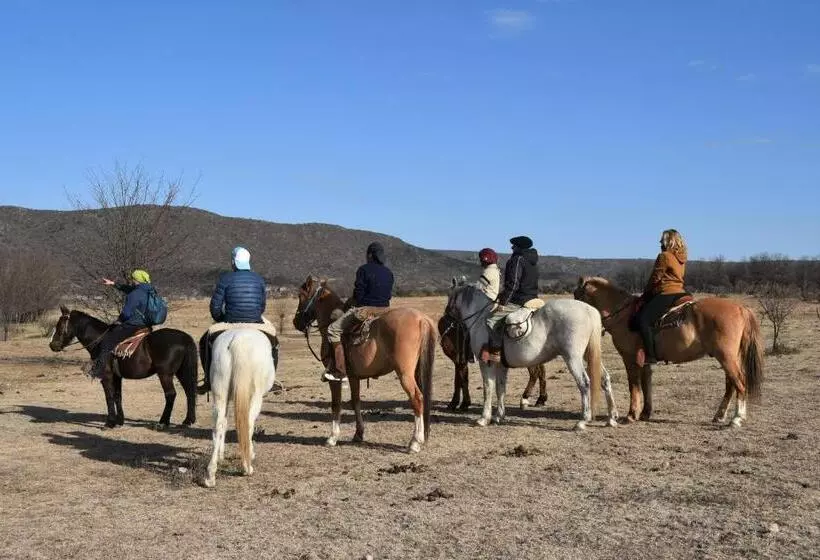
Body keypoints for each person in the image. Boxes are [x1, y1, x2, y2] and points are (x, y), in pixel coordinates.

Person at [197, 246, 268, 394]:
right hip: (255, 321)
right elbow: (262, 306)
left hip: (230, 321)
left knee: (204, 341)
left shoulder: (225, 279)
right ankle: (269, 379)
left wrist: (220, 318)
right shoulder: (259, 279)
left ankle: (208, 380)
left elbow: (215, 306)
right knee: (274, 343)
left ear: (233, 262)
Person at [322, 241, 394, 382]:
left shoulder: (363, 270)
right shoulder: (388, 272)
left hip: (366, 310)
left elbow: (359, 295)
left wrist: (353, 302)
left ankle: (340, 370)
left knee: (332, 329)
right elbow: (388, 295)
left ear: (370, 255)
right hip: (386, 310)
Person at [481, 236, 540, 364]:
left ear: (518, 247)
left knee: (490, 320)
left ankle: (496, 352)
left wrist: (503, 302)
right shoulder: (532, 261)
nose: (512, 248)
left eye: (514, 246)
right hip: (533, 297)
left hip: (519, 300)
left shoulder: (517, 260)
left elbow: (513, 285)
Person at [636, 229, 689, 364]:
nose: (660, 242)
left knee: (644, 320)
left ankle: (651, 356)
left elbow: (655, 278)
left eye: (662, 240)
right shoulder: (682, 257)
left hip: (667, 292)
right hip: (681, 291)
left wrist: (645, 293)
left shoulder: (664, 256)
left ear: (668, 241)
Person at [91, 269, 154, 379]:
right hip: (146, 325)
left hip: (134, 325)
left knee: (107, 341)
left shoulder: (134, 294)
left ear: (136, 280)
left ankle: (99, 369)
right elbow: (129, 289)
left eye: (133, 279)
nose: (132, 281)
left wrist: (118, 321)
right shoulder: (149, 290)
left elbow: (126, 314)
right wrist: (113, 284)